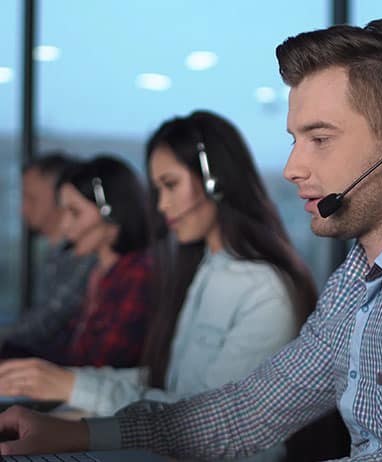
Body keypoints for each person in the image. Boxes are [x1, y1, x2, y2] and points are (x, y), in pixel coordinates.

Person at [1, 17, 382, 461]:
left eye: (320, 139)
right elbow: (252, 410)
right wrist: (79, 433)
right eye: (295, 140)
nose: (294, 167)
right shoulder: (358, 279)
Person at [0, 112, 317, 461]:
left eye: (170, 185)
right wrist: (65, 381)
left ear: (214, 181)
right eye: (157, 190)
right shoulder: (204, 271)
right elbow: (166, 384)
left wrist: (72, 389)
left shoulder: (264, 290)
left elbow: (215, 421)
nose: (162, 206)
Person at [0, 155, 153, 368]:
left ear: (110, 212)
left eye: (75, 213)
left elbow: (103, 364)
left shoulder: (137, 276)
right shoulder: (98, 274)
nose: (64, 226)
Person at [0, 153, 96, 355]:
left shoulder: (84, 258)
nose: (22, 209)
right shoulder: (57, 255)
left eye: (31, 198)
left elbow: (50, 318)